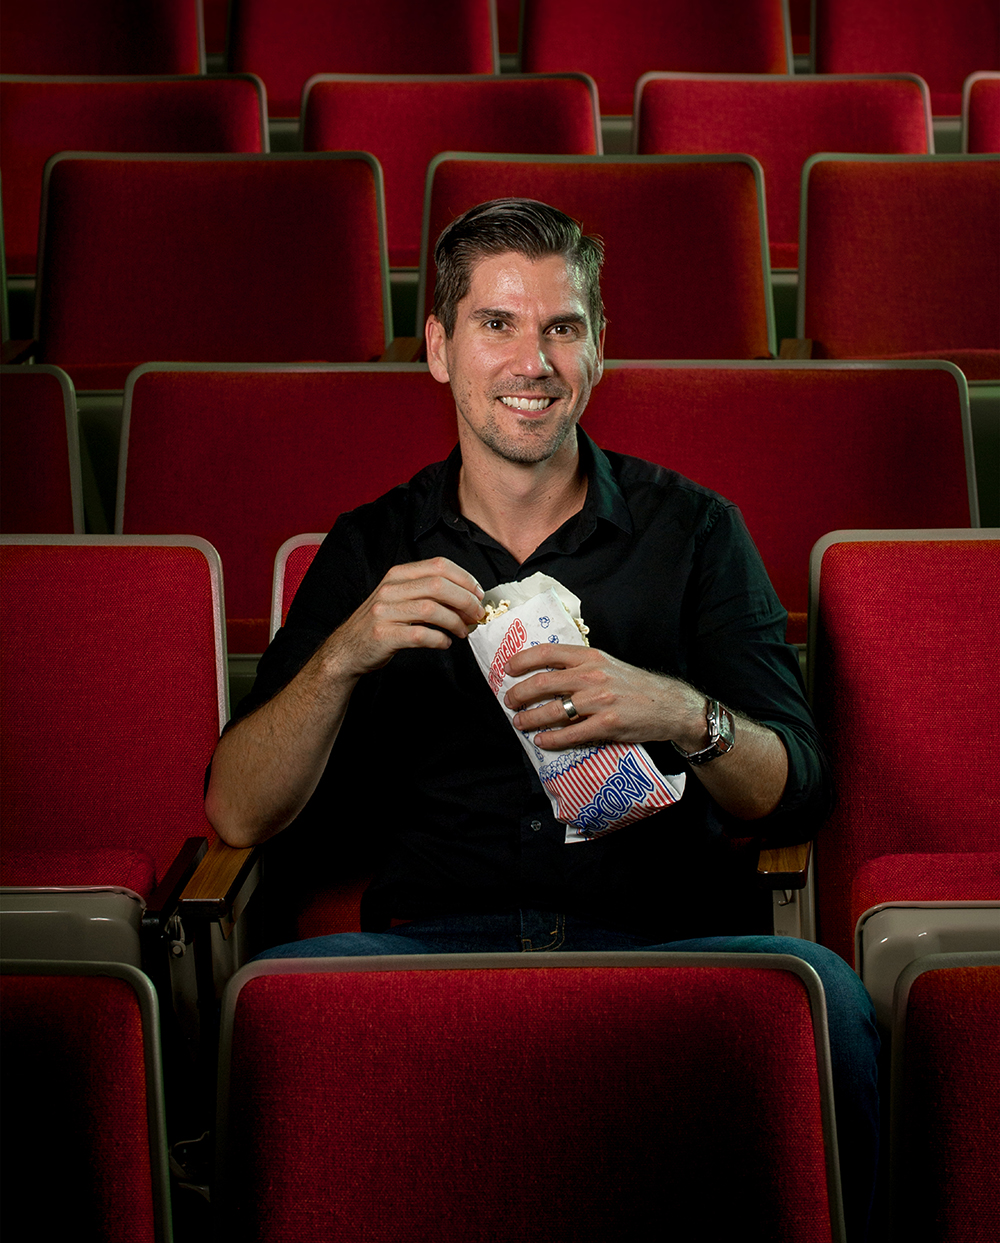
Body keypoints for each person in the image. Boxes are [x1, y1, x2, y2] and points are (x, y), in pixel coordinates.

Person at [206, 198, 879, 1237]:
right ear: (438, 349)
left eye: (563, 326)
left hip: (662, 944)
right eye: (498, 324)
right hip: (431, 950)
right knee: (270, 1001)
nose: (534, 359)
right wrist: (344, 654)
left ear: (599, 349)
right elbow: (238, 813)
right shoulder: (369, 546)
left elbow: (797, 784)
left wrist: (679, 710)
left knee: (826, 997)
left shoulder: (693, 529)